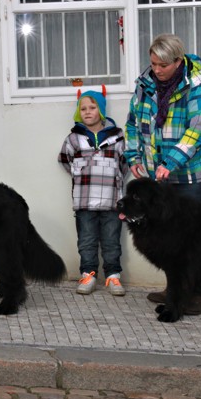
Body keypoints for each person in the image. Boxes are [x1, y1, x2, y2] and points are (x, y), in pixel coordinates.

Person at [124, 33, 201, 315]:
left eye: (163, 65)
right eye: (153, 63)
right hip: (161, 178)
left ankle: (198, 295)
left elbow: (197, 130)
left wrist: (171, 161)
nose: (157, 70)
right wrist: (133, 157)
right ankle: (175, 289)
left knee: (197, 239)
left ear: (178, 61)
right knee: (168, 237)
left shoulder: (198, 85)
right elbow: (132, 123)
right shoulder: (144, 84)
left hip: (193, 176)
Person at [59, 87, 128, 296]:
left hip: (112, 201)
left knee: (111, 241)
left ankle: (113, 276)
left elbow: (125, 163)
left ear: (102, 110)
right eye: (83, 109)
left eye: (92, 107)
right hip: (84, 201)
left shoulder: (117, 137)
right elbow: (64, 160)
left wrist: (115, 178)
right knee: (86, 241)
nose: (87, 112)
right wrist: (80, 175)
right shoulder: (74, 139)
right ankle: (88, 275)